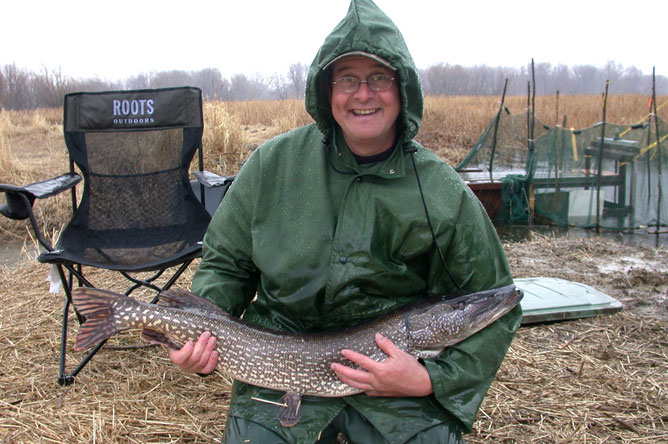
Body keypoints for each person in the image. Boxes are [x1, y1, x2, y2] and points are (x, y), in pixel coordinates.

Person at [170, 0, 522, 442]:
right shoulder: (272, 165)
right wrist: (199, 333)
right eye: (348, 79)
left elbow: (494, 299)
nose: (363, 94)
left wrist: (431, 380)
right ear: (327, 90)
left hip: (400, 383)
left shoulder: (441, 190)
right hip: (279, 369)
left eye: (379, 78)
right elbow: (226, 264)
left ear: (403, 88)